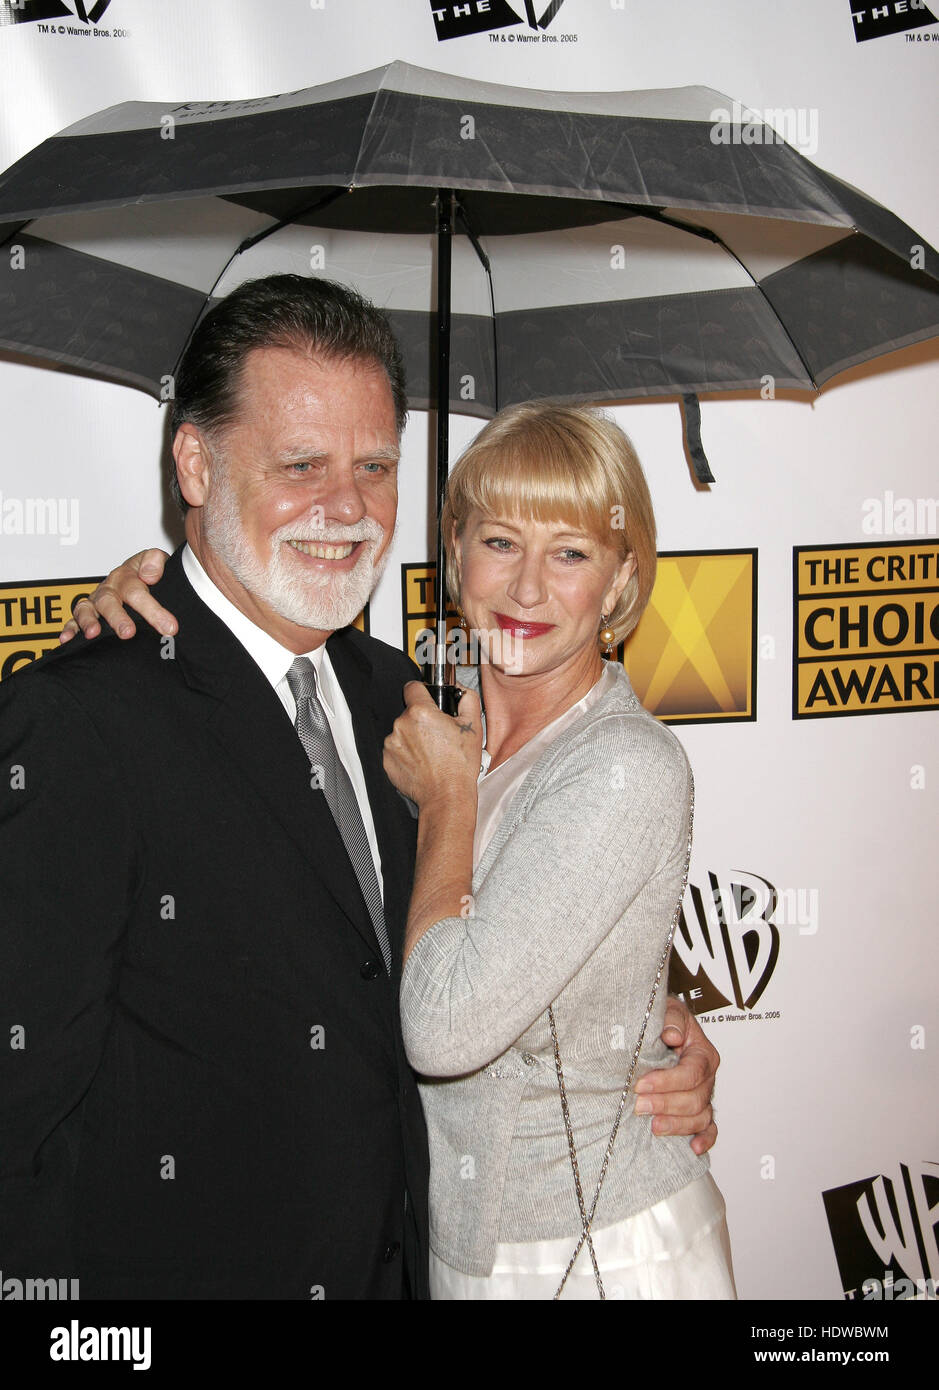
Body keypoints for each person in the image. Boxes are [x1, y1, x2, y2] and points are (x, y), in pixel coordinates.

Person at [32, 275, 719, 1299]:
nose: (344, 507)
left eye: (374, 467)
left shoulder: (398, 694)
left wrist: (644, 1023)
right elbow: (21, 1111)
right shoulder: (81, 718)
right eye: (300, 464)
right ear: (195, 462)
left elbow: (493, 930)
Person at [382, 403, 736, 1299]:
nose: (527, 589)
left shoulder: (625, 765)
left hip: (593, 1251)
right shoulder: (412, 722)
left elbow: (447, 1026)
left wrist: (452, 799)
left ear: (619, 583)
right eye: (499, 541)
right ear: (453, 552)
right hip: (451, 1232)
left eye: (571, 552)